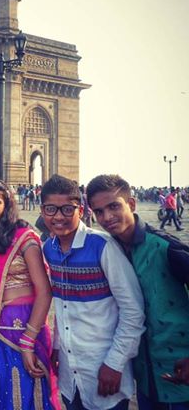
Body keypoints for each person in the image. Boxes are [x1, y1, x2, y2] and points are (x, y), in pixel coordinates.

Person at [40, 174, 145, 410]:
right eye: (50, 209)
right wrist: (57, 346)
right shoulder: (49, 249)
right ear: (41, 210)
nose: (58, 216)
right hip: (70, 373)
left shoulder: (103, 246)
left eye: (67, 209)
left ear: (81, 209)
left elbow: (133, 311)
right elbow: (62, 307)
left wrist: (115, 363)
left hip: (104, 370)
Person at [86, 174, 189, 409]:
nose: (107, 217)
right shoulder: (108, 251)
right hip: (145, 378)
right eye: (99, 211)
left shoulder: (165, 248)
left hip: (180, 373)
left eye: (114, 206)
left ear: (131, 204)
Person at [0, 179, 60, 409]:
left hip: (23, 335)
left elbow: (44, 292)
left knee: (30, 399)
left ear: (7, 204)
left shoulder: (24, 238)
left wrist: (28, 341)